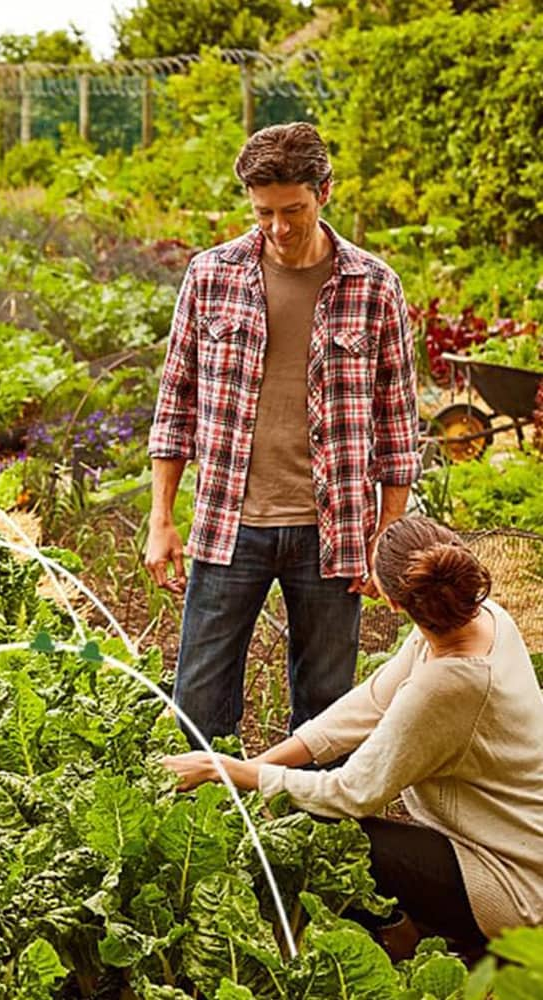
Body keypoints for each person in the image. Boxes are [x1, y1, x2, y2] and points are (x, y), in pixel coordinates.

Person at [146, 121, 420, 747]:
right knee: (199, 700)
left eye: (293, 209)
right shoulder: (211, 274)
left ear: (325, 191)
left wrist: (388, 531)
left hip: (334, 529)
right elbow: (175, 402)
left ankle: (308, 835)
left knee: (325, 709)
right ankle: (213, 825)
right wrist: (161, 516)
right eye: (264, 212)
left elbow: (398, 424)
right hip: (228, 523)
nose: (278, 226)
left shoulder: (374, 285)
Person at [162, 516, 543, 950]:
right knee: (305, 810)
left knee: (322, 834)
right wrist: (256, 766)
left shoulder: (450, 685)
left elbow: (351, 793)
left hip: (512, 888)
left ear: (393, 603)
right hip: (520, 847)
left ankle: (406, 939)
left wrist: (224, 771)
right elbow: (366, 705)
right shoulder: (484, 619)